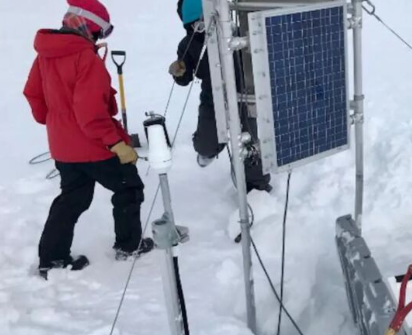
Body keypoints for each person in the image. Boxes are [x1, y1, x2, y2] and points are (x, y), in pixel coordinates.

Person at [23, 0, 154, 279]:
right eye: (100, 33)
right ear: (90, 28)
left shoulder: (45, 54)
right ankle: (128, 246)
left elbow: (33, 93)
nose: (99, 39)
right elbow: (90, 112)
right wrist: (116, 143)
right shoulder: (85, 58)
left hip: (63, 146)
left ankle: (53, 257)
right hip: (94, 145)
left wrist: (57, 122)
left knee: (73, 197)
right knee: (129, 188)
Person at [169, 0, 272, 193]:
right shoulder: (187, 45)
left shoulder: (236, 36)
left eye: (204, 23)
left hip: (244, 95)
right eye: (195, 26)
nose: (201, 30)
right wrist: (180, 72)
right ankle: (212, 147)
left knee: (249, 141)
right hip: (212, 97)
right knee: (205, 144)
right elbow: (185, 76)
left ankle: (256, 184)